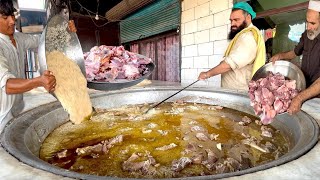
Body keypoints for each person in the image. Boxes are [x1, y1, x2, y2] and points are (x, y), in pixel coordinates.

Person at [0, 0, 76, 130]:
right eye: (5, 18)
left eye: (12, 16)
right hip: (2, 115)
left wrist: (65, 31)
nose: (12, 21)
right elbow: (6, 85)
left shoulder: (19, 39)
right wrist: (39, 81)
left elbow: (43, 42)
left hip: (17, 109)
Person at [198, 2, 266, 91]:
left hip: (238, 93)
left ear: (248, 18)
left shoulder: (248, 37)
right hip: (234, 92)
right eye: (231, 20)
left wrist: (207, 74)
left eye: (236, 20)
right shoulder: (243, 35)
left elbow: (229, 64)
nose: (232, 24)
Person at [270, 0, 320, 115]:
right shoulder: (306, 35)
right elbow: (295, 52)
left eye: (313, 23)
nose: (308, 27)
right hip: (304, 87)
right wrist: (281, 55)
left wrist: (299, 98)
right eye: (307, 22)